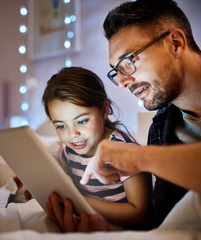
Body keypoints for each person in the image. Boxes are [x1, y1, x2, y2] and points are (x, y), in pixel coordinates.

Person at [46, 0, 201, 232]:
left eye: (129, 61)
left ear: (175, 43)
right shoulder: (161, 128)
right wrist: (104, 230)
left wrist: (139, 157)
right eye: (116, 71)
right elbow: (166, 224)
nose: (123, 82)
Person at [42, 66, 153, 230]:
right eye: (61, 126)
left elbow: (140, 215)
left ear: (104, 110)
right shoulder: (68, 150)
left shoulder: (124, 150)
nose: (73, 134)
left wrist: (81, 202)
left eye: (81, 121)